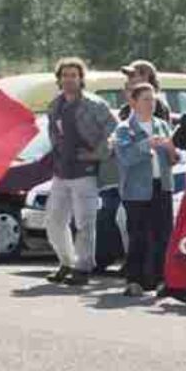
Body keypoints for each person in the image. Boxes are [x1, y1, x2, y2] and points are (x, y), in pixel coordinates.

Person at [45, 57, 117, 287]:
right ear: (59, 79)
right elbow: (53, 136)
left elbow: (114, 131)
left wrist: (97, 154)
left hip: (85, 172)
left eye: (73, 75)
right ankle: (66, 262)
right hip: (61, 172)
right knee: (54, 220)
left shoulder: (95, 104)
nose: (69, 80)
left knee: (85, 222)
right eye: (64, 75)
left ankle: (83, 267)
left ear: (81, 78)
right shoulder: (55, 105)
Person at [113, 83, 179, 297]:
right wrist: (146, 145)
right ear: (133, 102)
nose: (151, 104)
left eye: (153, 99)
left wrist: (170, 149)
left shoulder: (162, 125)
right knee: (138, 235)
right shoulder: (125, 129)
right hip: (137, 190)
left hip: (163, 186)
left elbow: (173, 159)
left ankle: (161, 279)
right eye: (145, 99)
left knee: (163, 235)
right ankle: (134, 280)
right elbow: (125, 157)